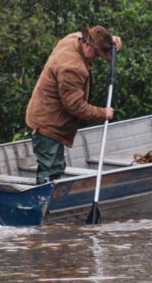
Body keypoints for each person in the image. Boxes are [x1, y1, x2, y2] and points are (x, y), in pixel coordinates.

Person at [25, 26, 122, 184]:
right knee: (51, 171)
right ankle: (43, 199)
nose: (96, 58)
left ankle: (48, 196)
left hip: (46, 116)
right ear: (87, 45)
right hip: (48, 124)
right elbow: (75, 106)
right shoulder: (72, 67)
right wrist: (103, 113)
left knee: (54, 167)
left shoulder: (72, 39)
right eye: (97, 53)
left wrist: (109, 40)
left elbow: (94, 36)